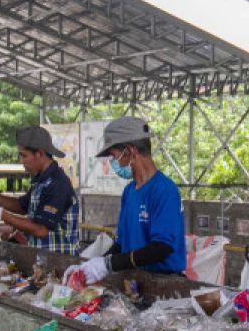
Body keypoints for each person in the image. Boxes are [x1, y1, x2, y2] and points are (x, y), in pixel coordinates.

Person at [65, 117, 185, 285]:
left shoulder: (164, 190)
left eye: (114, 156)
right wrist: (93, 264)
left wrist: (109, 264)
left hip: (164, 283)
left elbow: (161, 248)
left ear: (130, 151)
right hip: (135, 281)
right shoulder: (129, 192)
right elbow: (122, 244)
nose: (113, 163)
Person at [0, 127, 80, 255]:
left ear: (39, 154)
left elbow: (41, 230)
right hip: (41, 257)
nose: (21, 161)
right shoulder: (41, 181)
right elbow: (20, 206)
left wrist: (0, 214)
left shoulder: (57, 183)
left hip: (61, 260)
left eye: (24, 155)